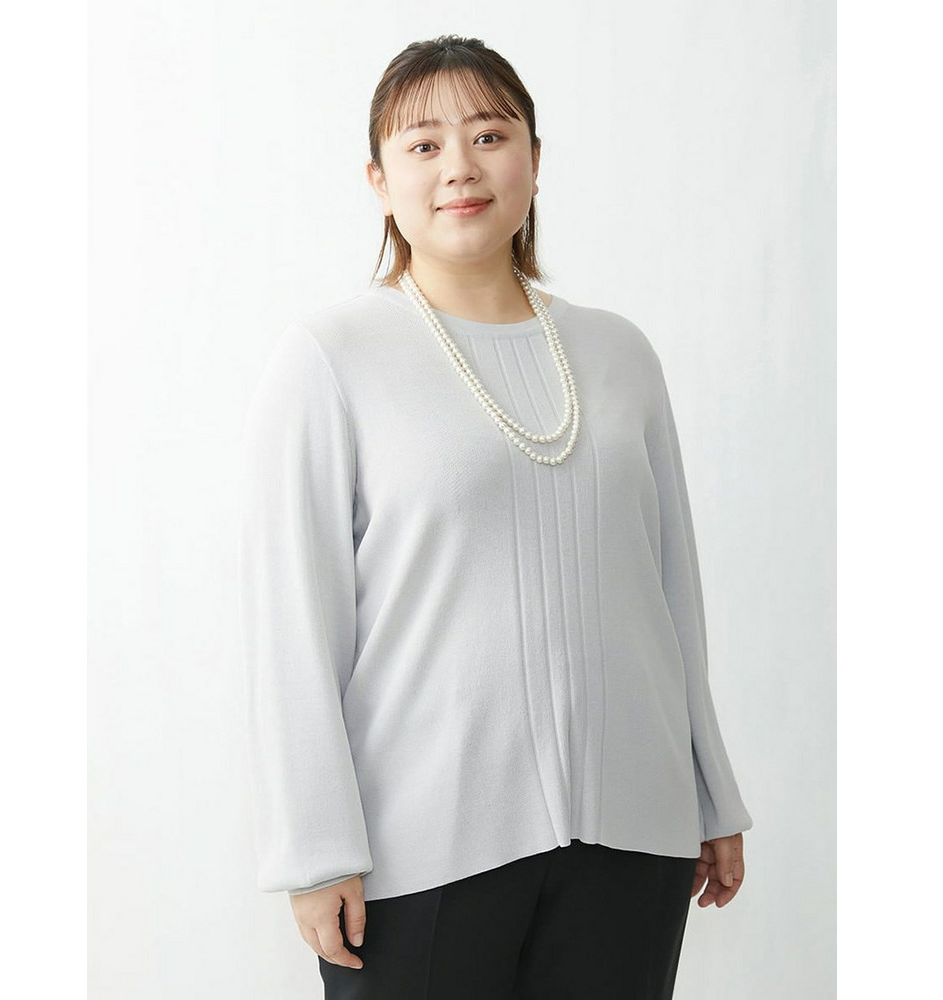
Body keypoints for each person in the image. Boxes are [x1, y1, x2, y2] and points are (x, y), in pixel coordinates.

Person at [238, 34, 753, 1000]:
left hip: (633, 831)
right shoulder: (331, 357)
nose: (460, 167)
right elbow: (293, 622)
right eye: (423, 145)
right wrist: (313, 849)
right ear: (378, 180)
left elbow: (671, 591)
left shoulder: (619, 354)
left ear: (535, 159)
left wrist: (710, 789)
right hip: (417, 849)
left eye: (489, 135)